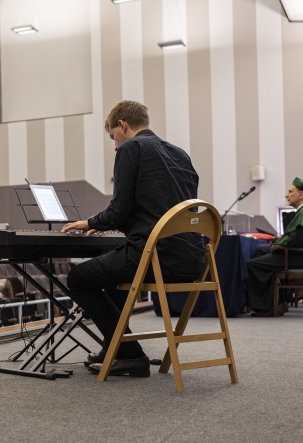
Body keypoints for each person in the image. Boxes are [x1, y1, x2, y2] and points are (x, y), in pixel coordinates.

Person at [61, 100, 205, 378]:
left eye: (113, 137)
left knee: (78, 278)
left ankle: (130, 354)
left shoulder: (131, 148)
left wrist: (91, 223)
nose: (115, 146)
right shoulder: (180, 154)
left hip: (155, 256)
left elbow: (119, 210)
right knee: (112, 276)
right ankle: (114, 347)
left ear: (122, 125)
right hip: (191, 259)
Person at [245, 178, 303, 317]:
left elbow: (297, 240)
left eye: (290, 192)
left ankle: (268, 307)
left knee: (253, 264)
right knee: (263, 257)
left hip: (299, 258)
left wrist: (277, 245)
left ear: (301, 194)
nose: (287, 195)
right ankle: (279, 303)